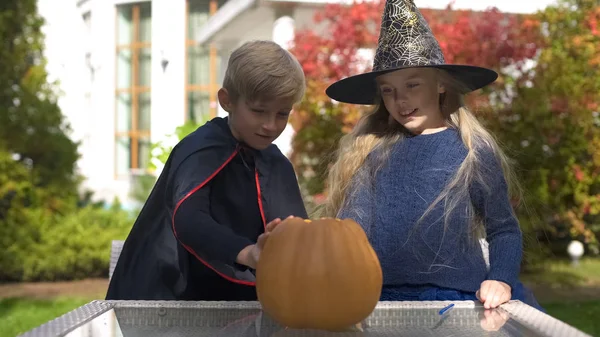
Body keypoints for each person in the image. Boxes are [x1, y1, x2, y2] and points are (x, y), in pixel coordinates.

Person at [320, 0, 544, 311]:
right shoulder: (372, 154)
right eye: (388, 90)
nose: (400, 100)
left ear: (440, 84)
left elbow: (503, 228)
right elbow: (351, 231)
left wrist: (501, 278)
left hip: (457, 302)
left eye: (412, 84)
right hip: (381, 301)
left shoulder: (471, 152)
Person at [106, 40, 308, 301]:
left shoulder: (276, 163)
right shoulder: (200, 151)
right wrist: (248, 253)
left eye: (282, 114)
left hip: (243, 305)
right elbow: (189, 219)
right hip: (171, 303)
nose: (270, 125)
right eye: (258, 111)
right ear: (227, 101)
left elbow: (296, 232)